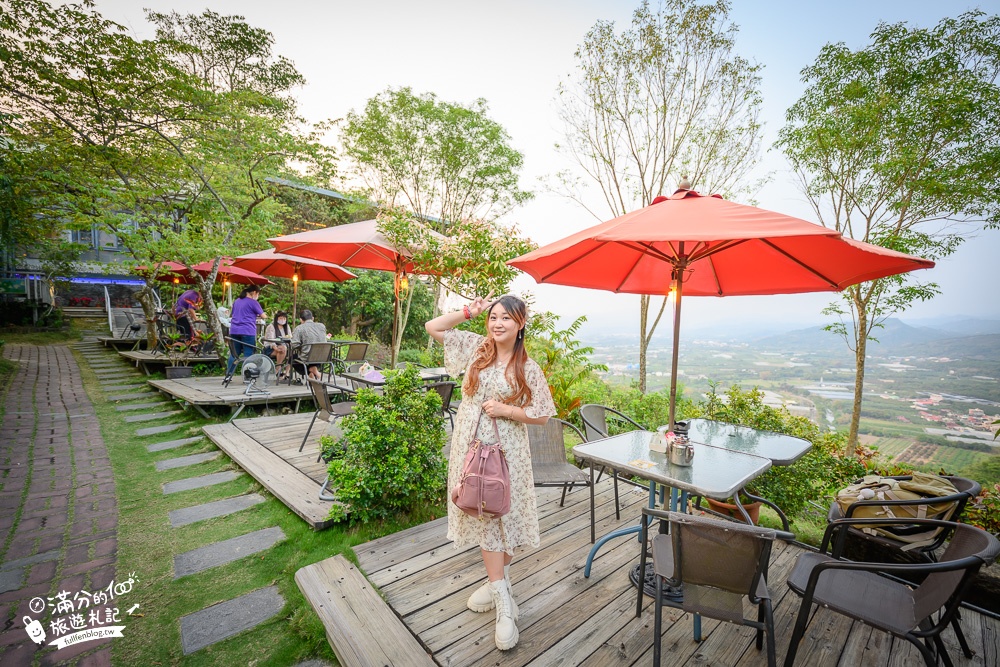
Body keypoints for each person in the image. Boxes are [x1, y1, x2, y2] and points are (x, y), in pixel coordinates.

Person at [425, 294, 555, 652]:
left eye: (506, 319)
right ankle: (503, 602)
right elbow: (433, 326)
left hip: (507, 452)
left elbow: (543, 414)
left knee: (505, 522)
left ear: (521, 324)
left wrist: (506, 410)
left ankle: (497, 585)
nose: (497, 324)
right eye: (493, 317)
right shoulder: (474, 348)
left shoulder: (527, 367)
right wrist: (470, 311)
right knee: (486, 520)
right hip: (468, 449)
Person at [225, 286, 265, 378]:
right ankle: (248, 376)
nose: (258, 296)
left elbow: (235, 314)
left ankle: (228, 375)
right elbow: (263, 316)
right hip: (247, 331)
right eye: (258, 294)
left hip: (234, 330)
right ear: (255, 292)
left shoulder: (237, 301)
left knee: (234, 354)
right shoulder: (253, 302)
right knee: (248, 354)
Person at [290, 309, 327, 380]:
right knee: (312, 355)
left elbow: (294, 344)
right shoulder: (322, 326)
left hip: (307, 358)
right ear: (312, 318)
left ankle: (312, 370)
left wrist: (301, 347)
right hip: (322, 357)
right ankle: (312, 372)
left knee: (292, 359)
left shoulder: (299, 328)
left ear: (301, 320)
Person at [263, 310, 292, 374]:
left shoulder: (287, 327)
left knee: (291, 351)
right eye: (281, 318)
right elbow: (271, 340)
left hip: (284, 347)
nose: (283, 320)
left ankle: (287, 373)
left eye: (284, 318)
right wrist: (276, 348)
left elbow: (289, 337)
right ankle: (278, 369)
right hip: (270, 348)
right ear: (277, 319)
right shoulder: (271, 326)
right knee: (282, 348)